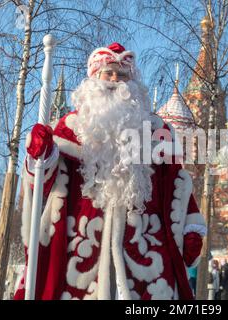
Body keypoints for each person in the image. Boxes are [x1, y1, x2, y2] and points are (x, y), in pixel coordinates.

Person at [14, 42, 206, 300]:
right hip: (77, 250)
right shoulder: (67, 130)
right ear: (94, 79)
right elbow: (42, 180)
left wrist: (191, 226)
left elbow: (177, 182)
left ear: (133, 82)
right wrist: (41, 153)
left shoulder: (156, 133)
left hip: (146, 253)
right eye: (108, 73)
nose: (115, 80)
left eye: (122, 74)